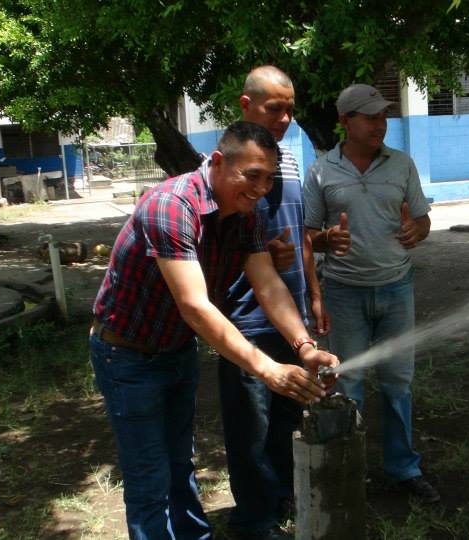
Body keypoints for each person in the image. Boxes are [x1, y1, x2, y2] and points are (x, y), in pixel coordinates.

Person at [90, 120, 339, 540]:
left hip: (176, 351)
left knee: (179, 462)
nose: (261, 189)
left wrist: (304, 346)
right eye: (252, 175)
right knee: (149, 473)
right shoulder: (171, 205)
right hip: (127, 355)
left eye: (268, 179)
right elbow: (194, 305)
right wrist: (267, 368)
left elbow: (268, 283)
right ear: (219, 162)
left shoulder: (245, 214)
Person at [217, 66, 344, 540]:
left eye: (290, 109)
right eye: (275, 109)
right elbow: (222, 244)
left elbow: (301, 233)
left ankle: (282, 495)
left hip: (291, 313)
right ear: (246, 105)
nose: (286, 118)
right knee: (251, 424)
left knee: (288, 413)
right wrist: (262, 255)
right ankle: (254, 521)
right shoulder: (232, 165)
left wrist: (313, 294)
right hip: (246, 316)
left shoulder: (289, 159)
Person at [302, 83, 439, 503]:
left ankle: (403, 468)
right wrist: (325, 242)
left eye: (383, 116)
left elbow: (422, 220)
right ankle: (350, 470)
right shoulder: (321, 171)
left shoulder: (402, 165)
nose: (380, 124)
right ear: (345, 122)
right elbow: (307, 236)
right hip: (344, 293)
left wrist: (419, 229)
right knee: (348, 384)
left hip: (397, 289)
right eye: (370, 117)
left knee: (399, 383)